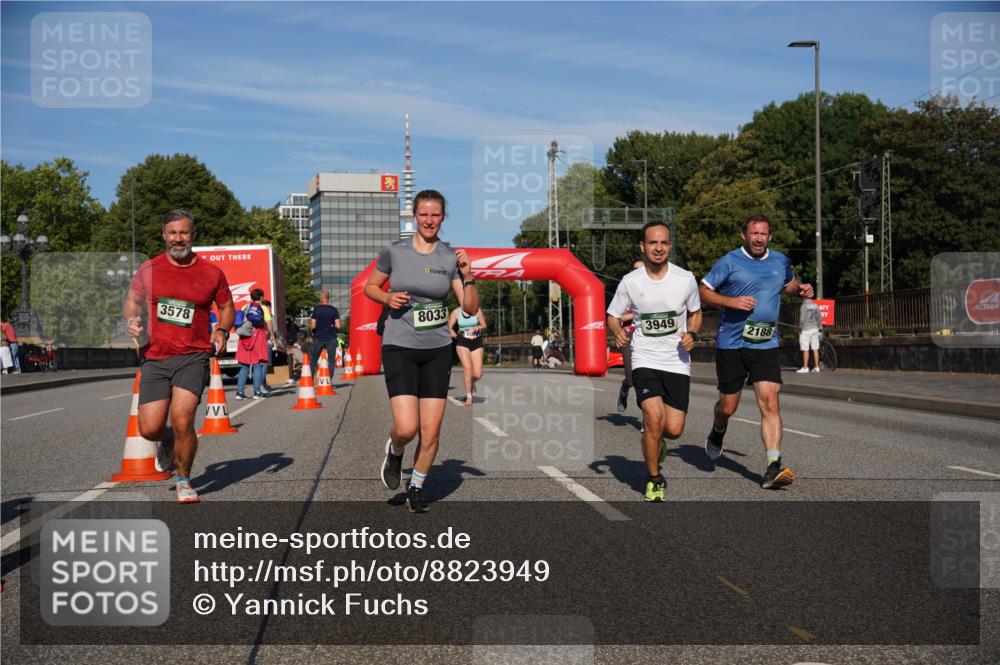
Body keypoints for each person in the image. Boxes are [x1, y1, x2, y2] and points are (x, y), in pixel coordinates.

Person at [365, 189, 478, 513]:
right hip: (399, 345)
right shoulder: (395, 252)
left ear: (443, 217)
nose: (429, 221)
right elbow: (370, 287)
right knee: (406, 428)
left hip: (437, 349)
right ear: (415, 216)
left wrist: (468, 276)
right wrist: (387, 298)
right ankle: (396, 450)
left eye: (435, 215)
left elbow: (469, 308)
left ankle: (416, 486)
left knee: (430, 431)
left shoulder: (450, 257)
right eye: (424, 214)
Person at [124, 210, 234, 504]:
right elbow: (132, 301)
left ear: (193, 235)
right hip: (155, 356)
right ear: (163, 235)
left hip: (193, 356)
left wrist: (222, 330)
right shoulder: (148, 269)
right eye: (172, 233)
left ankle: (183, 480)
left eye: (183, 233)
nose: (178, 239)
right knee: (149, 429)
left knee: (183, 420)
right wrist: (132, 319)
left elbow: (226, 306)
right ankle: (167, 439)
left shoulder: (211, 273)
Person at [700, 215, 814, 490]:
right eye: (754, 233)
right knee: (728, 407)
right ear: (744, 235)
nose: (759, 238)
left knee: (770, 401)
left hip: (765, 343)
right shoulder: (729, 261)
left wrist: (799, 289)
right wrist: (730, 301)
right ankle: (718, 429)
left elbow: (787, 284)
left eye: (764, 234)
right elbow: (703, 292)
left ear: (770, 237)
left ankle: (773, 466)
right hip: (732, 344)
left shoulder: (780, 260)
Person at [607, 221, 701, 502]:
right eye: (652, 243)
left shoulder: (685, 279)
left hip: (677, 361)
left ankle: (657, 442)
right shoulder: (631, 281)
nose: (658, 248)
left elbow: (696, 312)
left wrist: (692, 333)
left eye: (663, 243)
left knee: (673, 429)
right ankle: (654, 480)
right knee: (653, 418)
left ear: (669, 245)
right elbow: (613, 315)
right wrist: (617, 332)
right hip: (644, 358)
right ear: (643, 246)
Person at [616, 259, 645, 412]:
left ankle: (648, 417)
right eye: (635, 269)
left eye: (642, 268)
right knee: (631, 378)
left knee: (646, 377)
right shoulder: (625, 289)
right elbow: (617, 317)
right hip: (628, 336)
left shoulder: (653, 288)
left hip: (646, 336)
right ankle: (624, 388)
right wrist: (637, 314)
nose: (639, 272)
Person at [235, 289, 269, 399]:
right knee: (257, 364)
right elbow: (269, 322)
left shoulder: (245, 307)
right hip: (257, 337)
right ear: (261, 297)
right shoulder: (263, 308)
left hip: (245, 338)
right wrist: (272, 335)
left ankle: (240, 393)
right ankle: (257, 392)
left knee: (244, 365)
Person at [449, 306, 487, 405]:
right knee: (468, 368)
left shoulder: (477, 310)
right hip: (462, 341)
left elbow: (484, 325)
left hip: (477, 340)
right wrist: (452, 332)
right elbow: (449, 326)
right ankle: (469, 396)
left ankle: (470, 382)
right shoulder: (456, 312)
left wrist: (479, 327)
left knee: (478, 373)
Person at [309, 290, 341, 376]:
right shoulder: (334, 310)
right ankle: (329, 379)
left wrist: (313, 332)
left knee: (314, 359)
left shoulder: (316, 309)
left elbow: (313, 325)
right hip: (331, 337)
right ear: (328, 298)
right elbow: (338, 326)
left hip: (319, 337)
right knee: (331, 360)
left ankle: (310, 378)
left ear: (321, 298)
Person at [798, 297, 822, 373]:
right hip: (815, 328)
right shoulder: (815, 305)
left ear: (804, 298)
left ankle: (805, 367)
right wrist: (819, 327)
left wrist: (800, 329)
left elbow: (802, 319)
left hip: (806, 329)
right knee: (815, 348)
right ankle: (817, 367)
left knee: (805, 348)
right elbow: (820, 317)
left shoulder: (804, 306)